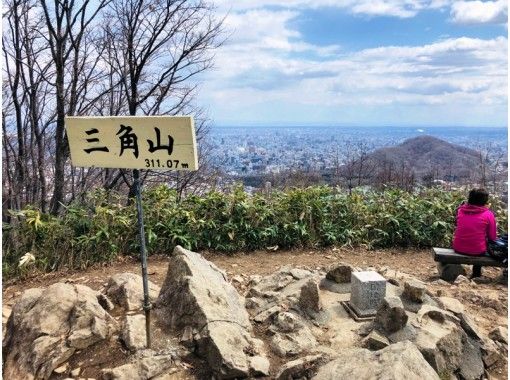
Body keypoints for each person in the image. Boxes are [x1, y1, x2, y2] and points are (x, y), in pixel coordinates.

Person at [452, 188, 497, 278]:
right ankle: (476, 274)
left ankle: (453, 270)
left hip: (458, 247)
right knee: (480, 246)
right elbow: (492, 237)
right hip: (477, 251)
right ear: (485, 201)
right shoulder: (488, 214)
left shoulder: (460, 211)